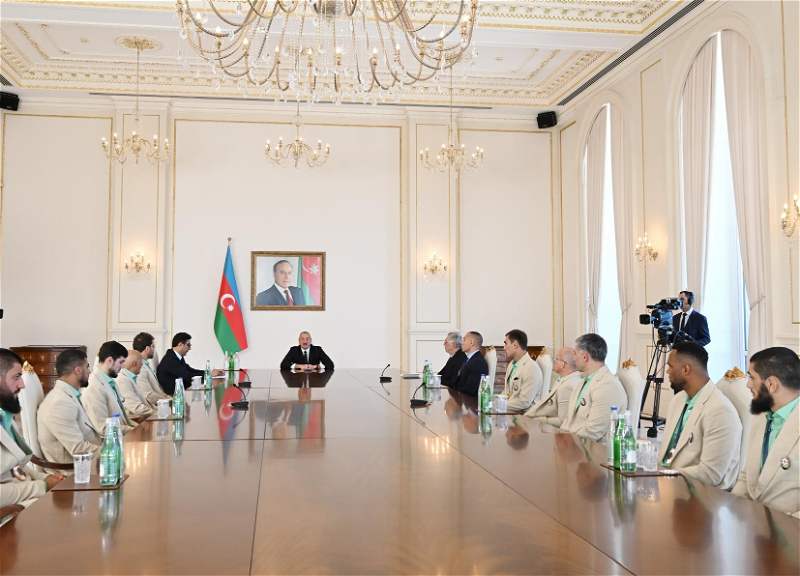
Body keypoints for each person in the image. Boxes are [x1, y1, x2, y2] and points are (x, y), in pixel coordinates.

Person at [657, 342, 741, 489]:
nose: (668, 371)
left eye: (670, 366)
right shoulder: (679, 399)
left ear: (685, 369)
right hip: (670, 485)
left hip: (700, 495)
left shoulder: (720, 411)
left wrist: (664, 474)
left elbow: (711, 474)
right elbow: (672, 450)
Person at [733, 347, 800, 518]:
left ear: (771, 384)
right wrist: (733, 511)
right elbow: (747, 476)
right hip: (752, 527)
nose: (747, 384)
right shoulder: (761, 416)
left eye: (751, 377)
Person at [0, 349, 64, 507]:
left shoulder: (5, 416)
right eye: (16, 377)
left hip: (27, 503)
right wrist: (42, 486)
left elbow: (16, 467)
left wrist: (43, 478)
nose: (22, 384)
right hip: (12, 517)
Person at [37, 349, 102, 469]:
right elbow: (79, 449)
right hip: (74, 472)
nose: (89, 371)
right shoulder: (59, 403)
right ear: (78, 370)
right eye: (87, 367)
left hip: (90, 463)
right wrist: (112, 452)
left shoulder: (68, 395)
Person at [562, 333, 628, 442]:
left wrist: (568, 445)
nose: (573, 358)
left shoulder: (608, 386)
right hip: (574, 444)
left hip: (593, 453)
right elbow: (569, 421)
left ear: (584, 357)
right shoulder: (584, 381)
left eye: (574, 354)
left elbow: (593, 432)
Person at [83, 341, 136, 435]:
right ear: (110, 360)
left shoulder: (110, 382)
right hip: (108, 445)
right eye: (121, 362)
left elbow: (123, 420)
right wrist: (135, 430)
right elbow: (103, 427)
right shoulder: (94, 387)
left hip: (121, 437)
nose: (123, 366)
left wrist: (138, 428)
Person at [525, 347, 582, 428]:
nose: (553, 361)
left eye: (556, 359)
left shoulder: (567, 386)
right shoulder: (562, 379)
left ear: (562, 364)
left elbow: (563, 421)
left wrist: (539, 419)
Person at [157, 332, 223, 395]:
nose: (190, 348)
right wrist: (209, 374)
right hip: (174, 395)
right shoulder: (170, 360)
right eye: (188, 345)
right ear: (180, 344)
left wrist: (209, 372)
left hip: (182, 390)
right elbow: (187, 376)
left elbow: (190, 370)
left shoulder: (175, 356)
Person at [501, 329, 543, 412]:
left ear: (515, 344)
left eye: (506, 343)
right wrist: (495, 402)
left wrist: (499, 405)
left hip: (524, 416)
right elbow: (506, 392)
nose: (504, 348)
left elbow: (524, 402)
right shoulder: (512, 364)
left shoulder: (531, 368)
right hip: (510, 410)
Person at [114, 351, 155, 419]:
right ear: (134, 364)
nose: (142, 364)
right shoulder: (122, 380)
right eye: (141, 361)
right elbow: (136, 408)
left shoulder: (131, 377)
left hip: (142, 417)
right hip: (135, 419)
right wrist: (158, 413)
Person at [132, 332, 170, 402]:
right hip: (155, 407)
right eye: (153, 346)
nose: (154, 349)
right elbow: (149, 396)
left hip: (162, 401)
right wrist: (170, 401)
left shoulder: (146, 365)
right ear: (147, 348)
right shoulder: (140, 369)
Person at [452, 331, 489, 397]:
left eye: (464, 340)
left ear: (472, 343)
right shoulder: (470, 359)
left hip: (469, 404)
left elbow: (469, 390)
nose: (461, 343)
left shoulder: (477, 363)